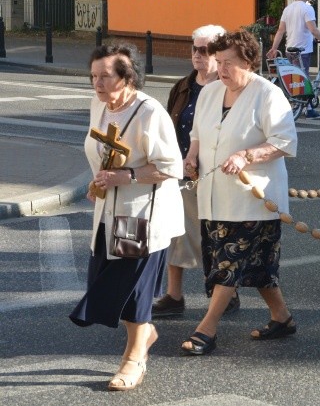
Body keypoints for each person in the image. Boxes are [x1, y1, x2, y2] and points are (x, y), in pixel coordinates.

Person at [70, 43, 184, 390]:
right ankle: (145, 334)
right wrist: (98, 181)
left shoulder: (150, 113)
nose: (98, 84)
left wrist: (126, 177)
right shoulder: (99, 105)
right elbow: (102, 152)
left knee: (132, 291)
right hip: (108, 212)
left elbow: (170, 167)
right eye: (94, 76)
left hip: (143, 216)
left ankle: (134, 359)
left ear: (127, 76)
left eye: (106, 76)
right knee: (106, 286)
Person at [181, 30, 298, 355]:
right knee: (258, 267)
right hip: (214, 197)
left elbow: (285, 142)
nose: (221, 69)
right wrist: (191, 157)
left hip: (254, 201)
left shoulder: (267, 94)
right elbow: (198, 135)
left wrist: (246, 155)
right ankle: (282, 317)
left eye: (228, 63)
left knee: (228, 264)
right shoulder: (210, 92)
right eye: (218, 62)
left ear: (249, 61)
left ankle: (207, 329)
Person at [151, 24, 241, 318]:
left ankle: (226, 293)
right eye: (195, 49)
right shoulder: (183, 86)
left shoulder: (232, 88)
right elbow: (169, 128)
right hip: (184, 174)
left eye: (205, 50)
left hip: (220, 174)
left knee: (219, 234)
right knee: (177, 232)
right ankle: (174, 295)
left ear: (218, 54)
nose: (198, 55)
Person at [266, 0, 320, 118]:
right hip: (303, 50)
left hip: (290, 49)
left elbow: (280, 31)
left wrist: (274, 48)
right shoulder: (307, 8)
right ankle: (309, 109)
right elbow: (313, 30)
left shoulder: (288, 9)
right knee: (303, 77)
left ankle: (298, 104)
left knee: (296, 77)